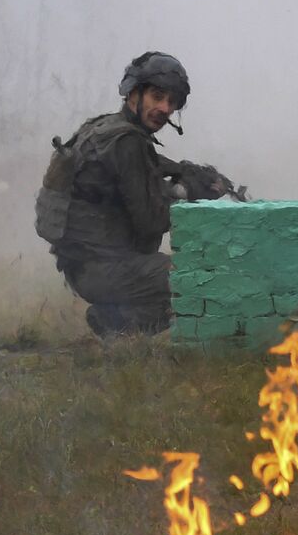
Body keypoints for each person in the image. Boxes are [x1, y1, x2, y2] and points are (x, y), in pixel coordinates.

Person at [35, 52, 191, 336]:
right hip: (102, 269)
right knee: (194, 278)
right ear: (133, 93)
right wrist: (185, 194)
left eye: (172, 102)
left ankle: (112, 318)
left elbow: (141, 180)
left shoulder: (104, 128)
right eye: (157, 96)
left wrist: (183, 176)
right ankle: (119, 325)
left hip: (83, 266)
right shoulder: (126, 142)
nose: (165, 108)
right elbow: (150, 222)